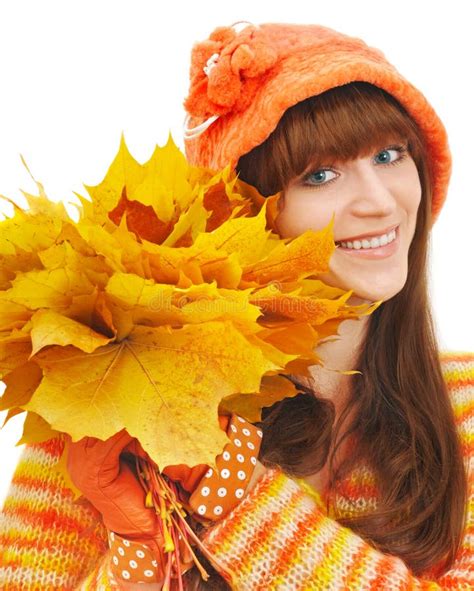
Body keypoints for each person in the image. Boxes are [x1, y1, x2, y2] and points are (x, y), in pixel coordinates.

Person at [0, 20, 473, 591]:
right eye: (319, 175)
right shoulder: (109, 395)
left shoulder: (464, 406)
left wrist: (233, 498)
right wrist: (138, 551)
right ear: (243, 216)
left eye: (391, 155)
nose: (379, 201)